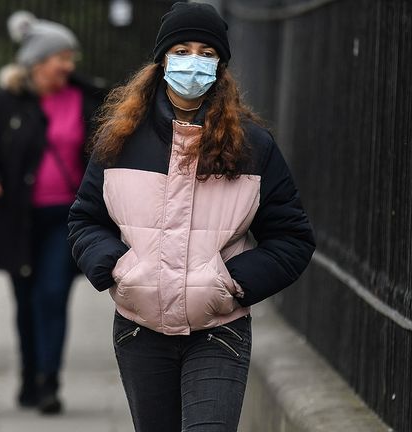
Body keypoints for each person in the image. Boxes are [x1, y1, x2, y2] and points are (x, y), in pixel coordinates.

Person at [67, 3, 315, 431]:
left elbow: (292, 237)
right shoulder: (120, 141)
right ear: (162, 59)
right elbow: (86, 220)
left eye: (205, 51)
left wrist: (233, 282)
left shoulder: (253, 146)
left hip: (219, 330)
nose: (193, 61)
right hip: (139, 329)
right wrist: (119, 269)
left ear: (220, 64)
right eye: (182, 49)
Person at [0, 11, 105, 415]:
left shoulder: (86, 98)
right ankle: (28, 376)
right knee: (26, 301)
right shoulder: (8, 101)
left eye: (70, 57)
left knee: (52, 294)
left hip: (67, 218)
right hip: (19, 219)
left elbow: (105, 151)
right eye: (61, 56)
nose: (68, 65)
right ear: (36, 61)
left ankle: (49, 382)